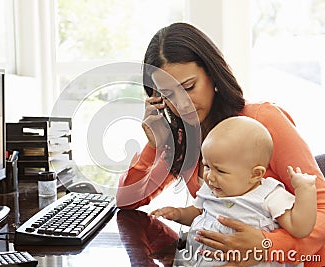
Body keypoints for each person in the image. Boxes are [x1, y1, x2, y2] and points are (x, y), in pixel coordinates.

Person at [115, 22, 325, 266]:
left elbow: (322, 209)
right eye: (168, 95)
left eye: (189, 87)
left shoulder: (263, 120)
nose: (182, 104)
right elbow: (126, 201)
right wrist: (154, 145)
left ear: (212, 75)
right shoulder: (181, 137)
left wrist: (267, 244)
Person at [149, 116, 317, 266]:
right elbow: (198, 213)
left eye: (220, 171)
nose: (210, 176)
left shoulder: (269, 195)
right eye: (207, 166)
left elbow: (300, 228)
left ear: (255, 174)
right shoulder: (212, 188)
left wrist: (305, 191)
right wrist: (178, 213)